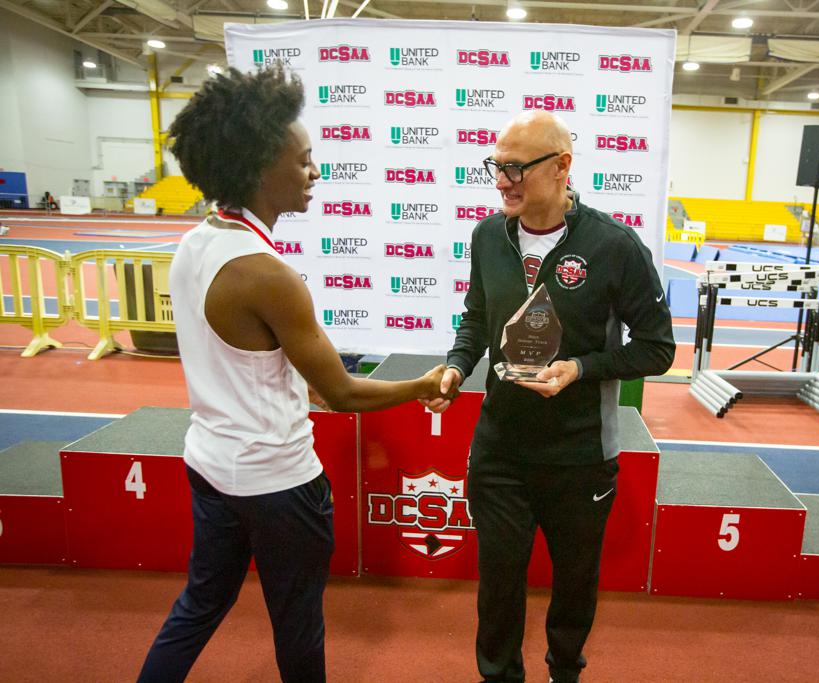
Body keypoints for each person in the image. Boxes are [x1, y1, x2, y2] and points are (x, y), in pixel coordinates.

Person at [137, 67, 451, 683]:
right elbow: (341, 391)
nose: (316, 173)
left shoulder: (195, 243)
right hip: (279, 485)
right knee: (299, 623)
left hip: (210, 466)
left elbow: (245, 360)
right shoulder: (267, 274)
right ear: (259, 167)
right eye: (305, 161)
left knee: (199, 606)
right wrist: (421, 385)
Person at [424, 111, 675, 683]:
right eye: (496, 165)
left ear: (562, 166)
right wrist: (458, 369)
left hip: (581, 455)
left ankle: (565, 671)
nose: (501, 180)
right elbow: (478, 318)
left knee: (574, 588)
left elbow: (657, 349)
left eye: (515, 167)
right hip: (501, 450)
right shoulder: (488, 235)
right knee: (499, 586)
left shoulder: (614, 245)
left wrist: (581, 368)